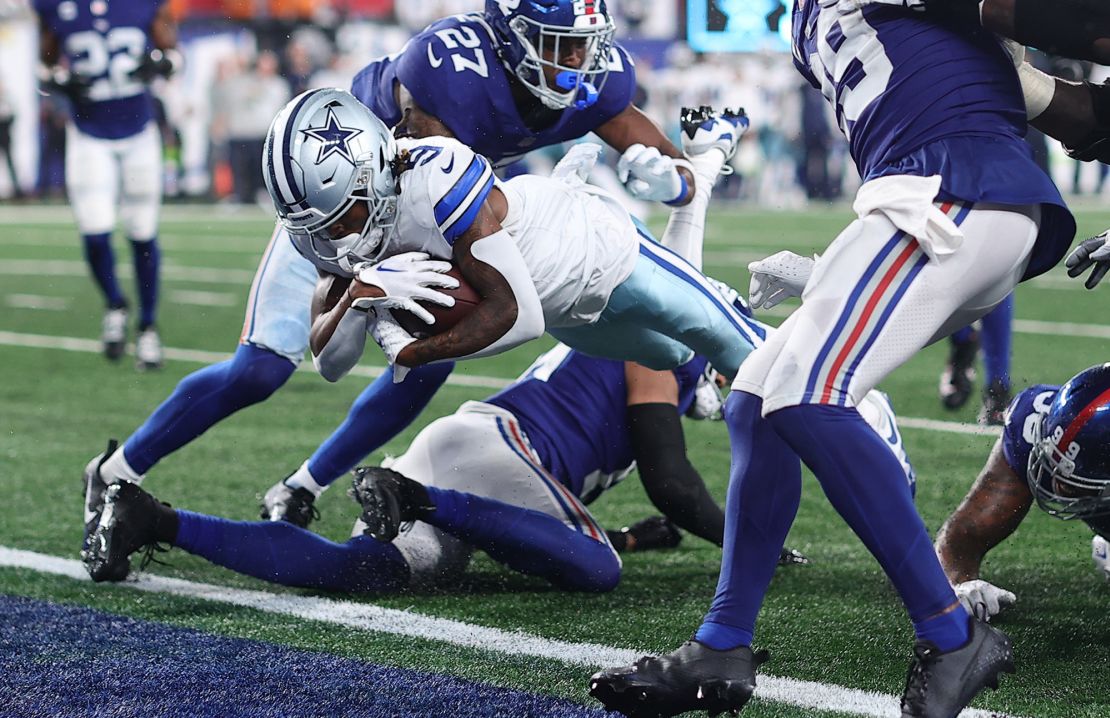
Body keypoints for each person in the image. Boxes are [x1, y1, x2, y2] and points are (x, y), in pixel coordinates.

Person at [81, 0, 735, 550]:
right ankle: (114, 471)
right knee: (262, 368)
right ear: (511, 40)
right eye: (558, 46)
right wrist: (372, 293)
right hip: (342, 208)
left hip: (417, 216)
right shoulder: (449, 71)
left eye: (581, 47)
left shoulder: (584, 76)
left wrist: (675, 176)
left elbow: (669, 166)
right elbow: (428, 197)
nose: (576, 64)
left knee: (428, 358)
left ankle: (301, 487)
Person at [590, 2, 1075, 717]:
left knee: (808, 394)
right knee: (756, 397)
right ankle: (724, 641)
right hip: (925, 201)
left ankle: (950, 635)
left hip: (957, 187)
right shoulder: (803, 29)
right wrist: (831, 272)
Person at [86, 334, 911, 589]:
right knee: (593, 575)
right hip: (496, 452)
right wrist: (753, 542)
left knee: (366, 571)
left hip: (474, 446)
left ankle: (153, 518)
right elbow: (672, 476)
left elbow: (543, 503)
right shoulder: (658, 346)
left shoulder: (638, 335)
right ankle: (418, 497)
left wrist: (624, 532)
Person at [269, 89, 757, 395]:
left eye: (342, 213)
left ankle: (704, 168)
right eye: (318, 225)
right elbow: (329, 362)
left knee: (744, 354)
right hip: (563, 311)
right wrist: (358, 297)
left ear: (374, 168)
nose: (334, 235)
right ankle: (707, 158)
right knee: (674, 356)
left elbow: (520, 318)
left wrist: (412, 354)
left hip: (592, 246)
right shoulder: (317, 228)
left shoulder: (434, 177)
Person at [34, 0, 180, 368]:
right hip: (89, 133)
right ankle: (115, 303)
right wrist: (57, 80)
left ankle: (147, 327)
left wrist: (163, 62)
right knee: (95, 230)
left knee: (142, 231)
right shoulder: (57, 6)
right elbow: (44, 64)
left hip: (138, 133)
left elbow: (175, 54)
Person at [934, 363, 1110, 621]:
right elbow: (963, 536)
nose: (1057, 485)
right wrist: (959, 586)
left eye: (1074, 483)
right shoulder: (1037, 421)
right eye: (1054, 468)